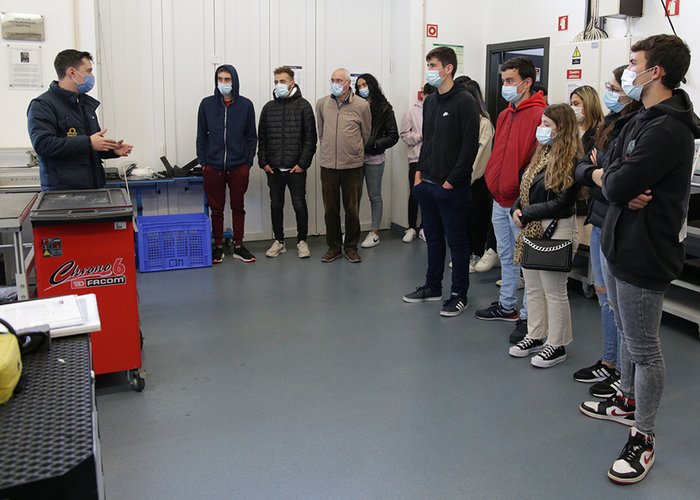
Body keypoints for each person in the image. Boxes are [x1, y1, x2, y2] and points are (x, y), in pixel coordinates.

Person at [579, 34, 699, 484]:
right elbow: (606, 170)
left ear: (657, 71)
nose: (627, 71)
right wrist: (610, 177)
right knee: (629, 335)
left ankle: (643, 435)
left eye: (634, 62)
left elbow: (612, 182)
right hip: (621, 244)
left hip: (646, 252)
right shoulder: (641, 117)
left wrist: (611, 179)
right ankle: (626, 398)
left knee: (645, 349)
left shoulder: (668, 128)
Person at [573, 66, 642, 398]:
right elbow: (582, 167)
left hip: (618, 223)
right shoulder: (608, 125)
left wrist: (602, 173)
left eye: (615, 87)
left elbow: (618, 178)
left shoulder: (637, 126)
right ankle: (609, 360)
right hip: (600, 219)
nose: (611, 92)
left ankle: (621, 373)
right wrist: (600, 172)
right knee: (605, 299)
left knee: (618, 305)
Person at [402, 46, 480, 317]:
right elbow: (429, 141)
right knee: (433, 239)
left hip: (452, 187)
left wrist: (451, 181)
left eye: (433, 65)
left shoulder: (464, 101)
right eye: (428, 65)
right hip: (428, 183)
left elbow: (469, 148)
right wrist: (419, 174)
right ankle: (433, 286)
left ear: (448, 68)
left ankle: (459, 294)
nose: (430, 70)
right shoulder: (432, 101)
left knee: (457, 243)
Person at [476, 56, 546, 344]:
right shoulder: (505, 114)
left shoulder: (540, 115)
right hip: (499, 197)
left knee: (528, 264)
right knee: (506, 256)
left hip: (522, 202)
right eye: (502, 81)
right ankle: (507, 306)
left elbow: (538, 160)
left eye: (509, 81)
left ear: (526, 82)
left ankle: (530, 318)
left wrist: (521, 195)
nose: (505, 86)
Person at [507, 103, 581, 367]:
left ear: (562, 128)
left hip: (556, 226)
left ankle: (557, 343)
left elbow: (563, 201)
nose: (542, 129)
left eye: (547, 125)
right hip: (533, 224)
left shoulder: (572, 159)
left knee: (554, 290)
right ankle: (536, 335)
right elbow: (525, 186)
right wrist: (517, 208)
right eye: (542, 123)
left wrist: (527, 213)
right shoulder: (541, 153)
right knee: (534, 287)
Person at [27, 49, 133, 191]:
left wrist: (112, 150)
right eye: (88, 71)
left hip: (94, 188)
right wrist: (88, 142)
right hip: (63, 193)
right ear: (72, 72)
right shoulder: (43, 105)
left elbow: (91, 146)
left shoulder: (84, 105)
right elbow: (43, 144)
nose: (91, 76)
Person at [197, 64, 257, 264]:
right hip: (212, 166)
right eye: (220, 79)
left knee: (238, 206)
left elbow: (251, 136)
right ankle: (218, 245)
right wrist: (203, 162)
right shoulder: (206, 104)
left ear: (235, 81)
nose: (223, 83)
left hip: (238, 165)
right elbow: (201, 136)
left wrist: (247, 162)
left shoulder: (246, 105)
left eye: (227, 79)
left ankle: (239, 245)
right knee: (216, 208)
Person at [258, 66, 317, 259]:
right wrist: (264, 163)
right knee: (276, 206)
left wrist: (302, 164)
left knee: (299, 205)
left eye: (282, 81)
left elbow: (310, 139)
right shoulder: (268, 108)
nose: (278, 85)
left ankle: (302, 241)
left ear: (292, 82)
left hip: (296, 169)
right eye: (276, 82)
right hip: (274, 169)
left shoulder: (304, 106)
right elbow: (262, 138)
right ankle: (279, 241)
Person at [316, 68, 371, 263]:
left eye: (339, 80)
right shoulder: (322, 104)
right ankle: (333, 247)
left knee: (352, 209)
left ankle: (351, 247)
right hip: (328, 165)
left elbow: (365, 134)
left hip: (352, 166)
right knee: (330, 209)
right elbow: (321, 132)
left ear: (348, 83)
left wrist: (353, 150)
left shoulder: (361, 105)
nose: (335, 83)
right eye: (332, 79)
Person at [355, 73, 399, 248]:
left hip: (374, 158)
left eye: (365, 84)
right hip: (355, 159)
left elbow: (393, 135)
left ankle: (374, 232)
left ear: (372, 85)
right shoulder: (354, 105)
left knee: (375, 196)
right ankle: (352, 231)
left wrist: (375, 144)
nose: (362, 88)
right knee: (353, 197)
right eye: (359, 86)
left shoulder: (385, 108)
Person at [462, 84, 495, 273]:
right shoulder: (465, 121)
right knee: (464, 219)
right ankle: (467, 254)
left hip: (477, 179)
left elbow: (481, 154)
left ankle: (476, 254)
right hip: (462, 178)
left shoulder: (484, 123)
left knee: (477, 219)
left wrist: (468, 176)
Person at [399, 83, 434, 243]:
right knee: (414, 194)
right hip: (416, 159)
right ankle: (411, 227)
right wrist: (420, 136)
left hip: (434, 160)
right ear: (423, 95)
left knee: (431, 196)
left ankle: (425, 227)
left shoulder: (438, 109)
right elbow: (404, 135)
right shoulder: (412, 111)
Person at [570, 85, 605, 153]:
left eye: (576, 104)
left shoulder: (600, 132)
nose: (572, 107)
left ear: (589, 105)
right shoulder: (570, 129)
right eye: (571, 104)